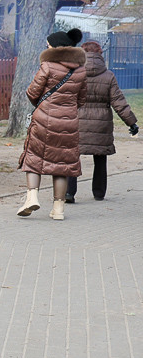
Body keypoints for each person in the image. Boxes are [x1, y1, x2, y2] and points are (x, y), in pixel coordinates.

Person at [17, 29, 87, 220]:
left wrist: (44, 105)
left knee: (33, 159)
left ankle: (32, 197)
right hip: (69, 123)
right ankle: (58, 209)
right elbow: (82, 99)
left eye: (48, 44)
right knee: (62, 166)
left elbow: (33, 92)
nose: (46, 47)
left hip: (44, 120)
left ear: (55, 47)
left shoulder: (47, 66)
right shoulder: (81, 70)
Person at [67, 40, 139, 203]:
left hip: (76, 121)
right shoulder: (108, 76)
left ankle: (69, 193)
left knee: (72, 156)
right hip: (101, 123)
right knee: (100, 158)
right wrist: (131, 123)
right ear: (100, 55)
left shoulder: (74, 74)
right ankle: (99, 193)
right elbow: (118, 101)